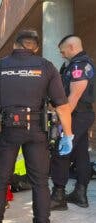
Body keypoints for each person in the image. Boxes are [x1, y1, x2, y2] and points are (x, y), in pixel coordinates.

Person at [0, 29, 73, 223]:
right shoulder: (46, 67)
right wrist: (68, 135)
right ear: (36, 48)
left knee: (0, 179)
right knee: (40, 182)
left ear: (15, 44)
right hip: (36, 130)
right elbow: (62, 106)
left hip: (6, 130)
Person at [50, 35, 95, 210]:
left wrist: (62, 120)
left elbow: (74, 97)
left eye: (63, 51)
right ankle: (80, 194)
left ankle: (58, 196)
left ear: (71, 46)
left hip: (76, 115)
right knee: (81, 153)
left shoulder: (79, 65)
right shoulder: (77, 64)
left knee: (61, 151)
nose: (62, 55)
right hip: (82, 115)